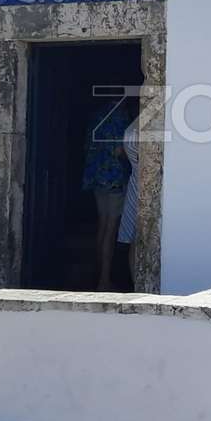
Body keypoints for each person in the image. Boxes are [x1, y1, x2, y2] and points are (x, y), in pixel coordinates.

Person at [81, 99, 131, 291]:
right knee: (111, 228)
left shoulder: (97, 114)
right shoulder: (120, 116)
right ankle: (104, 280)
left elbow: (87, 146)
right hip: (114, 177)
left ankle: (98, 274)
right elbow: (120, 150)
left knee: (102, 225)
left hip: (95, 176)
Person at [116, 115, 140, 285]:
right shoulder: (141, 125)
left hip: (136, 181)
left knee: (135, 239)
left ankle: (137, 286)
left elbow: (120, 152)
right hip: (140, 182)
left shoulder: (133, 126)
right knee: (137, 240)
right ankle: (138, 286)